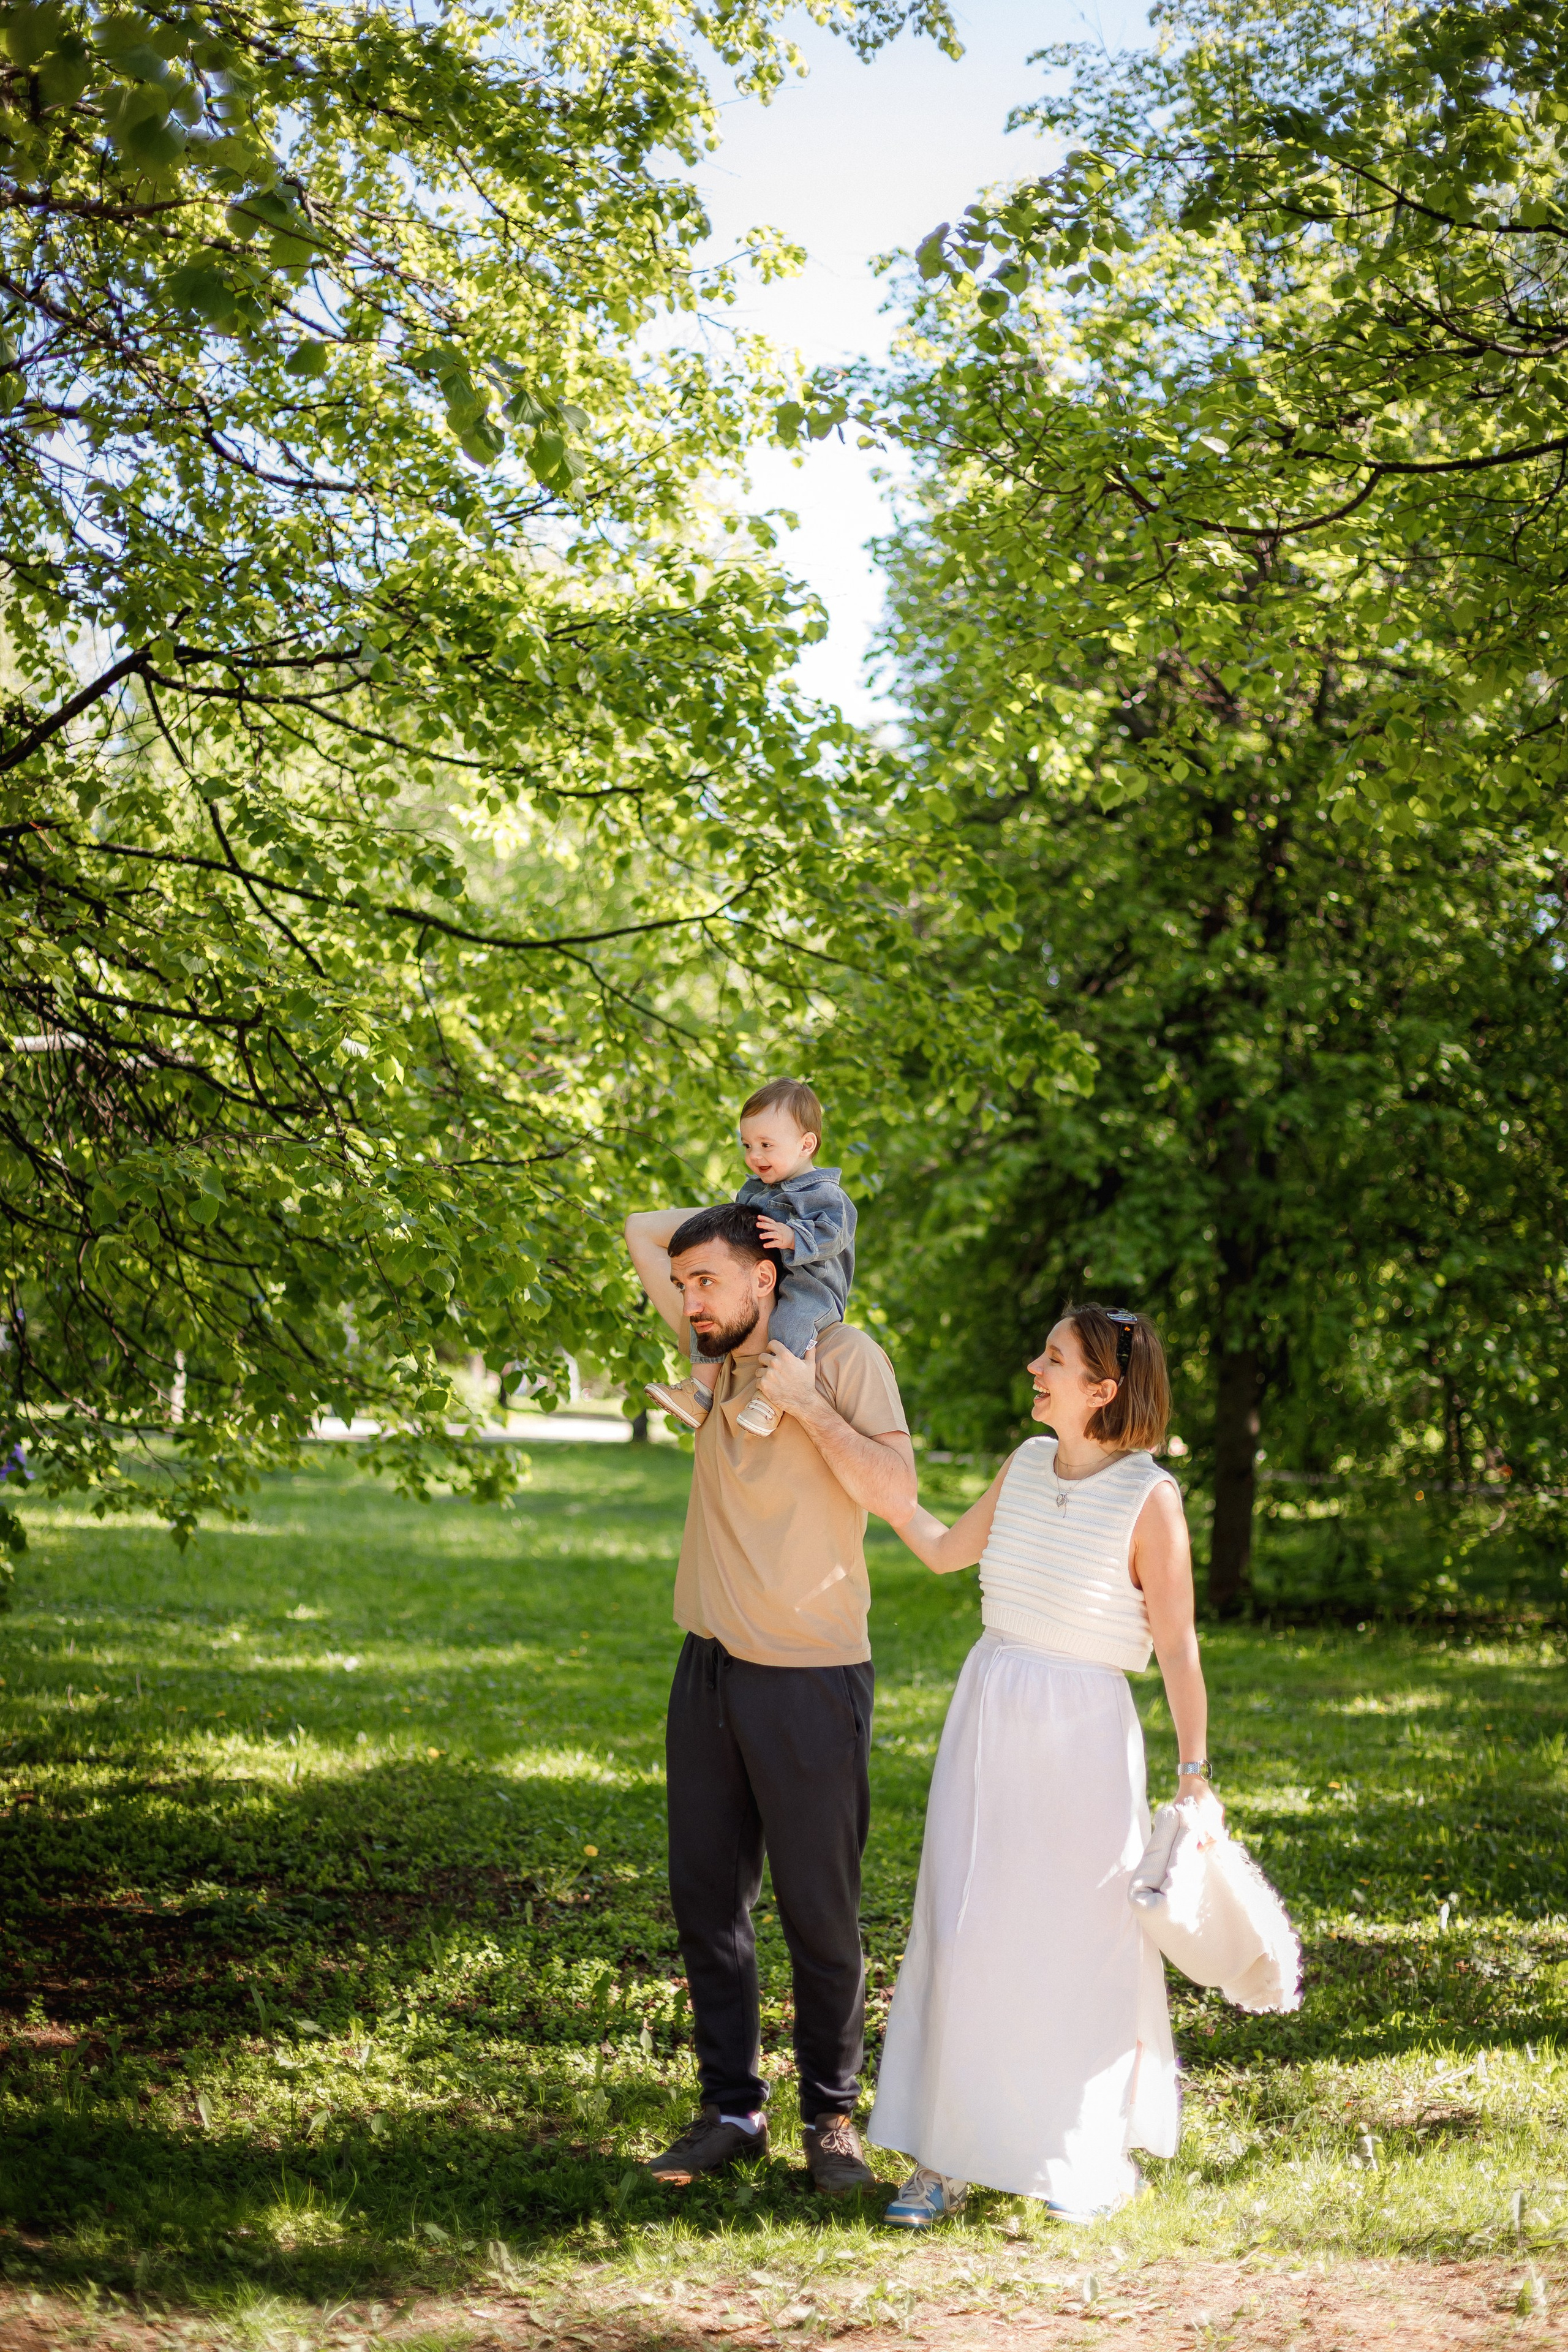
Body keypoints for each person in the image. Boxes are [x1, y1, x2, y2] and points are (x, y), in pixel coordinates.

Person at [869, 1303, 1213, 2229]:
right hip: (990, 1710)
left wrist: (1194, 1769)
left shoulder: (1152, 1497)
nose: (1035, 1366)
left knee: (1078, 1942)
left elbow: (1177, 1648)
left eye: (1053, 1359)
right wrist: (871, 1479)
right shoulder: (1023, 1465)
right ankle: (942, 2157)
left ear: (1101, 1391)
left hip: (1086, 1728)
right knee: (967, 1927)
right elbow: (944, 1553)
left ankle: (1076, 2151)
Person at [621, 1197, 914, 2193]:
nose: (687, 1297)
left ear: (765, 1280)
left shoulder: (841, 1356)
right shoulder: (716, 1346)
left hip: (811, 1675)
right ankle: (731, 2111)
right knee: (710, 1903)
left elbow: (895, 1492)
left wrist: (807, 1402)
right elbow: (639, 1227)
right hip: (708, 1670)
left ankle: (832, 2123)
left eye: (708, 1280)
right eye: (687, 1281)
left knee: (819, 1912)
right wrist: (767, 1208)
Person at [642, 1077, 856, 1438]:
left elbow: (837, 1234)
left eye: (766, 1145)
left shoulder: (825, 1195)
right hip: (764, 1282)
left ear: (806, 1145)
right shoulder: (754, 1189)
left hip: (811, 1288)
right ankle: (699, 1393)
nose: (754, 1156)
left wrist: (794, 1235)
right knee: (710, 1311)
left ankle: (772, 1400)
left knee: (790, 1323)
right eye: (747, 1145)